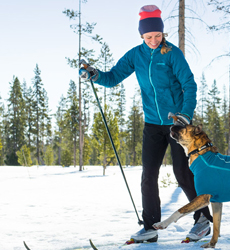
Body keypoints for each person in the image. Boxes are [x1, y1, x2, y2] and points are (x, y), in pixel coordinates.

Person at [79, 5, 212, 244]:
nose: (154, 40)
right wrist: (95, 74)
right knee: (148, 176)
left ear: (163, 33)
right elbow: (112, 77)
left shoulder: (171, 53)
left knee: (182, 173)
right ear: (141, 35)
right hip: (152, 124)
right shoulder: (135, 55)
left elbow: (189, 85)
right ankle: (150, 226)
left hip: (177, 125)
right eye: (149, 36)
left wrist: (185, 115)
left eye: (158, 36)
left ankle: (202, 220)